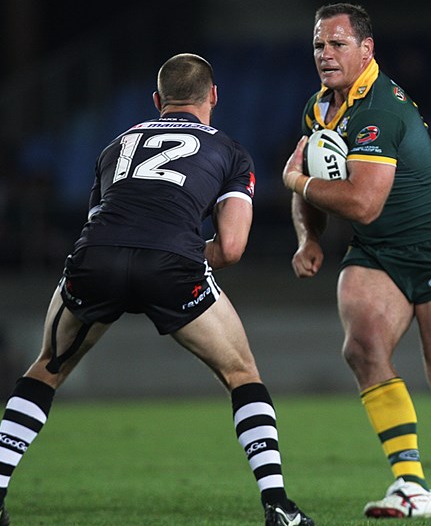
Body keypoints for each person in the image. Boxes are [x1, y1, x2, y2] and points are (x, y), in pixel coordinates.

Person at [0, 54, 313, 526]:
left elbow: (100, 220)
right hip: (171, 264)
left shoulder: (115, 145)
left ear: (156, 102)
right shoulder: (229, 151)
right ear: (213, 96)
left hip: (96, 258)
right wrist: (178, 253)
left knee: (45, 370)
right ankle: (278, 506)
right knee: (242, 373)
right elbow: (230, 248)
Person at [281, 3, 431, 519]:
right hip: (377, 250)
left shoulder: (379, 110)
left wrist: (297, 182)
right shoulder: (319, 108)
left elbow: (358, 199)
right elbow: (314, 179)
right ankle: (412, 485)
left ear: (366, 49)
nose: (325, 55)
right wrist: (308, 237)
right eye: (319, 45)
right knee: (362, 346)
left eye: (337, 44)